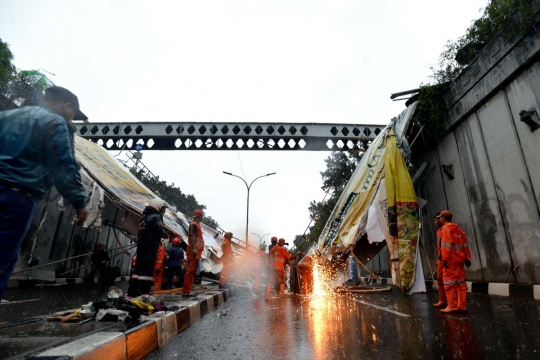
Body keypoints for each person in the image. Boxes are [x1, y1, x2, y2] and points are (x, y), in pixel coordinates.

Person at [0, 86, 89, 301]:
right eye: (74, 115)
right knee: (4, 257)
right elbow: (63, 166)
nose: (72, 119)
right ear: (66, 106)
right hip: (17, 195)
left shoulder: (6, 116)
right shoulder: (56, 123)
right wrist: (79, 201)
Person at [127, 198, 168, 297]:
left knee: (137, 272)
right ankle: (143, 295)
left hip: (141, 248)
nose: (163, 212)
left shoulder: (144, 218)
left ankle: (132, 294)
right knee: (146, 274)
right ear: (158, 207)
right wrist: (166, 235)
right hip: (150, 249)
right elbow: (159, 231)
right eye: (163, 209)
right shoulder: (156, 217)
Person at [439, 210, 472, 313]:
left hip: (451, 260)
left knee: (449, 282)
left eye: (440, 217)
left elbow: (445, 245)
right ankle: (462, 306)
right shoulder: (458, 229)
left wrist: (444, 259)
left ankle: (452, 306)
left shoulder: (445, 229)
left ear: (444, 218)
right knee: (461, 283)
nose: (440, 219)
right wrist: (467, 257)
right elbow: (465, 243)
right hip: (460, 259)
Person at [182, 209, 204, 297]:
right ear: (199, 216)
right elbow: (192, 235)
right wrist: (194, 248)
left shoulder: (197, 225)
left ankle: (188, 290)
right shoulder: (193, 224)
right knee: (190, 271)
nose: (202, 217)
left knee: (193, 271)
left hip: (197, 251)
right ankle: (186, 291)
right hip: (193, 251)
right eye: (202, 216)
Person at [432, 212, 447, 308]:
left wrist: (444, 258)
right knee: (440, 280)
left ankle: (452, 303)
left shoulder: (447, 229)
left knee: (450, 282)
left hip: (447, 259)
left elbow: (447, 246)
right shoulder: (439, 230)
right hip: (442, 258)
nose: (435, 222)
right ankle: (443, 300)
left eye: (435, 220)